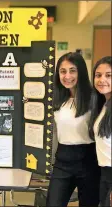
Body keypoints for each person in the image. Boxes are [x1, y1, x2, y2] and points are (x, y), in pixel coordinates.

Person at [46, 52, 100, 207]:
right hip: (63, 160)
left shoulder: (94, 99)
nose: (67, 76)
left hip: (89, 159)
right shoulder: (56, 99)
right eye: (63, 71)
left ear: (81, 72)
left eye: (72, 70)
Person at [89, 56, 112, 207]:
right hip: (105, 173)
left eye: (108, 75)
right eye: (98, 75)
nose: (102, 79)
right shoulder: (103, 104)